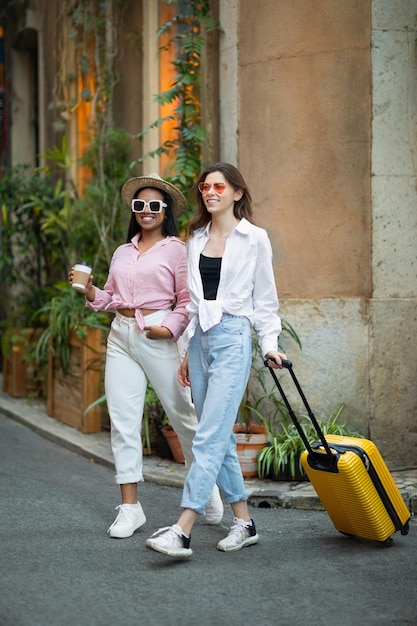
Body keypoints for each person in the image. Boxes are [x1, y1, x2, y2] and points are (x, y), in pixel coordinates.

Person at [68, 173, 223, 538]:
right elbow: (110, 298)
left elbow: (187, 302)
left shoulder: (177, 249)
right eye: (140, 205)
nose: (147, 211)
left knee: (184, 416)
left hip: (158, 333)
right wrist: (90, 290)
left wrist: (168, 328)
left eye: (155, 205)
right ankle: (130, 508)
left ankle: (206, 487)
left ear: (164, 210)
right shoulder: (122, 251)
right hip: (121, 335)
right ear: (134, 210)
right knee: (123, 421)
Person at [146, 162, 287, 558]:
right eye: (205, 187)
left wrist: (270, 343)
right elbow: (192, 304)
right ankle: (244, 522)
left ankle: (183, 528)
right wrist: (188, 350)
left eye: (219, 187)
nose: (210, 192)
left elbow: (266, 301)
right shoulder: (196, 238)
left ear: (237, 193)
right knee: (220, 435)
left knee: (207, 434)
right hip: (201, 341)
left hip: (233, 338)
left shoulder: (254, 238)